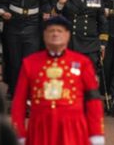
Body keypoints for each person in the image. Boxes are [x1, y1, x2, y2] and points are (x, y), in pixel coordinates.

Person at [10, 15, 105, 145]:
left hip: (73, 129)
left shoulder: (82, 63)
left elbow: (93, 100)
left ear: (67, 35)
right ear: (44, 35)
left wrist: (96, 133)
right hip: (40, 129)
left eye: (59, 31)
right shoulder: (30, 63)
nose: (55, 34)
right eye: (51, 31)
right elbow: (19, 101)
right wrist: (18, 133)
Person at [0, 0, 52, 97]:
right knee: (14, 62)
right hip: (13, 23)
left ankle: (30, 96)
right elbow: (2, 2)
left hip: (33, 24)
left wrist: (46, 12)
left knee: (31, 62)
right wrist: (3, 12)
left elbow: (45, 2)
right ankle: (17, 95)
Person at [56, 0, 108, 69]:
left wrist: (103, 43)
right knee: (74, 77)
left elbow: (102, 21)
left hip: (91, 45)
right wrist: (60, 3)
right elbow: (55, 18)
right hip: (72, 45)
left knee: (90, 78)